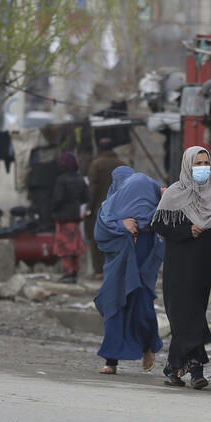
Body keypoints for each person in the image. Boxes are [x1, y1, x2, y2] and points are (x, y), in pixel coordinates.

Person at [151, 146, 211, 389]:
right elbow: (159, 226)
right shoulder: (174, 193)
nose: (203, 168)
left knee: (194, 316)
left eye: (206, 163)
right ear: (187, 165)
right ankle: (195, 369)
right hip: (178, 266)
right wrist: (186, 231)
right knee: (182, 316)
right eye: (198, 163)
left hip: (202, 268)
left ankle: (176, 369)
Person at [94, 171, 164, 375]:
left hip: (143, 266)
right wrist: (121, 225)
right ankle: (111, 360)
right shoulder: (109, 208)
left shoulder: (155, 212)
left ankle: (149, 346)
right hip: (117, 265)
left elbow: (163, 228)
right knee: (114, 303)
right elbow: (100, 232)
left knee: (142, 303)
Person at [85, 138, 122, 279]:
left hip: (99, 210)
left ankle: (99, 271)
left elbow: (92, 188)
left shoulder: (97, 164)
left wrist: (88, 208)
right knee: (116, 239)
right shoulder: (122, 164)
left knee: (98, 240)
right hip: (118, 211)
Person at [51, 152, 89, 284]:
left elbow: (57, 199)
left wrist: (53, 209)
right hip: (75, 217)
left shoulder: (61, 180)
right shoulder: (80, 179)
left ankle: (67, 273)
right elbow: (86, 198)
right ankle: (74, 273)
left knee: (65, 247)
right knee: (75, 247)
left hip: (63, 218)